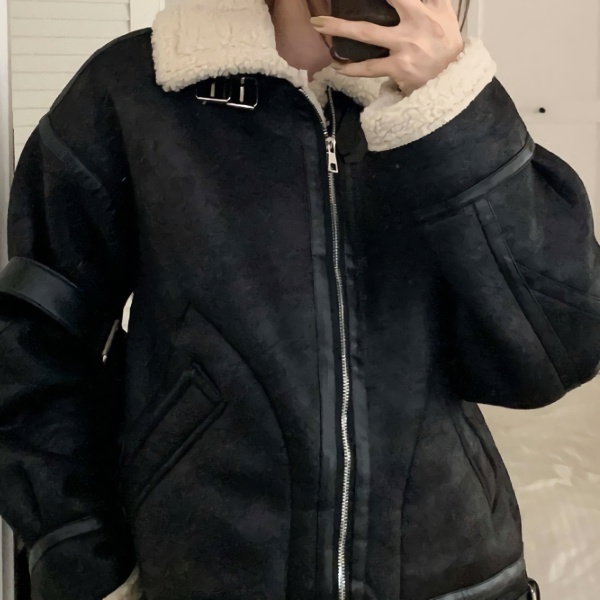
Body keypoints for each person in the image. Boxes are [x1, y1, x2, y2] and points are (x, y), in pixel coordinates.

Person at [0, 0, 598, 598]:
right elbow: (33, 345)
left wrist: (448, 105)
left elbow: (562, 348)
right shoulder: (134, 88)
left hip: (453, 573)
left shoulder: (445, 99)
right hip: (208, 573)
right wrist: (87, 562)